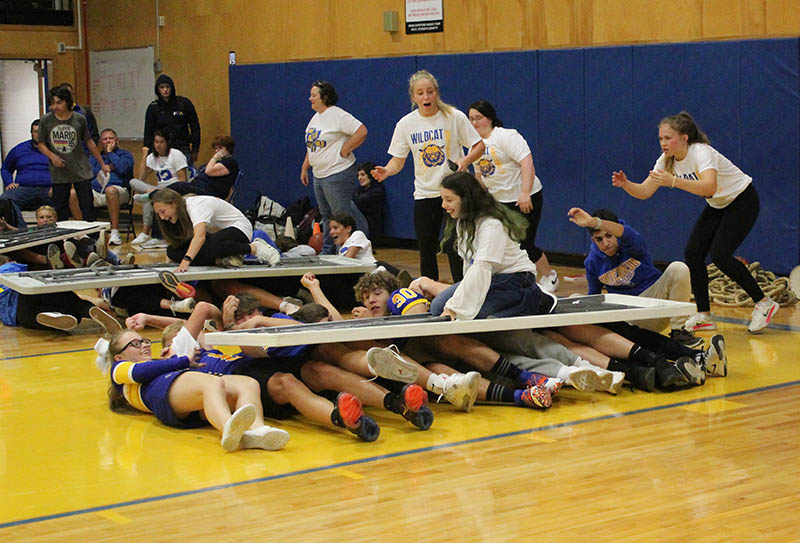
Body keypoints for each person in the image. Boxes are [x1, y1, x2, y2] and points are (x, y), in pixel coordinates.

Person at [611, 111, 778, 334]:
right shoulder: (666, 160)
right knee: (693, 252)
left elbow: (709, 187)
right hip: (718, 204)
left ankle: (764, 303)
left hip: (742, 200)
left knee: (720, 254)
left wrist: (673, 181)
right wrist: (626, 184)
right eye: (661, 139)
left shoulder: (701, 153)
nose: (663, 143)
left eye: (668, 138)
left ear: (684, 137)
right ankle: (704, 315)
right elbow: (644, 191)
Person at [372, 70, 484, 282]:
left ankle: (462, 288)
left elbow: (478, 145)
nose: (426, 97)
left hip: (454, 192)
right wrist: (387, 170)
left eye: (430, 92)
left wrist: (465, 161)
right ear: (413, 97)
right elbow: (398, 160)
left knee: (454, 246)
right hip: (425, 193)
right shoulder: (406, 124)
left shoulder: (454, 116)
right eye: (420, 93)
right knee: (426, 246)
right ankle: (429, 291)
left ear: (437, 93)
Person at [99, 328, 289, 452]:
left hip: (175, 388)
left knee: (247, 383)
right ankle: (229, 429)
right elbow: (142, 372)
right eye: (135, 344)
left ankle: (257, 431)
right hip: (161, 393)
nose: (145, 345)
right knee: (212, 383)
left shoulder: (158, 364)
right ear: (119, 356)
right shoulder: (119, 370)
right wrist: (180, 361)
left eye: (145, 340)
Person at [415, 172, 557, 321]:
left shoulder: (492, 224)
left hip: (514, 280)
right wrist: (458, 300)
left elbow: (481, 268)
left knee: (472, 314)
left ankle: (537, 300)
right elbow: (470, 266)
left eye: (449, 200)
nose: (444, 205)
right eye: (442, 199)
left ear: (466, 199)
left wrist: (454, 308)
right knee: (438, 306)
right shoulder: (463, 221)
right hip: (491, 280)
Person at [567, 206, 702, 348]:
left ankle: (679, 331)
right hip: (626, 316)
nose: (605, 244)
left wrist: (594, 222)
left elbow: (624, 233)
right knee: (575, 299)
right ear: (593, 240)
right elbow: (593, 297)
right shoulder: (592, 262)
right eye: (599, 239)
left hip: (654, 303)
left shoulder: (631, 242)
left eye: (609, 236)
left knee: (678, 268)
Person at [467, 100, 558, 293]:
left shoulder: (505, 136)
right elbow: (480, 177)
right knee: (505, 245)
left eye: (479, 118)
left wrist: (524, 193)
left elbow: (527, 162)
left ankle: (549, 275)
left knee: (525, 243)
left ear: (489, 118)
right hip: (500, 202)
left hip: (525, 196)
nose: (474, 123)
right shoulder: (474, 147)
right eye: (471, 119)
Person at [299, 80, 369, 254]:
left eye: (314, 95)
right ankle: (328, 251)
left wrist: (346, 148)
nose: (310, 98)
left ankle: (350, 249)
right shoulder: (316, 118)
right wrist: (305, 166)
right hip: (319, 174)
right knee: (326, 215)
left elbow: (361, 131)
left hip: (337, 172)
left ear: (325, 97)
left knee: (340, 216)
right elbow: (313, 146)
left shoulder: (337, 115)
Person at [151, 188, 279, 272]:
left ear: (174, 203)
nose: (162, 217)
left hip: (240, 229)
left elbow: (200, 237)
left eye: (163, 211)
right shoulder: (181, 212)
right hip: (217, 236)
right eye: (159, 214)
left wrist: (186, 261)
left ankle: (254, 248)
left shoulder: (195, 206)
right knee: (172, 251)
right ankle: (222, 258)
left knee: (208, 246)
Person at [37, 84, 110, 221]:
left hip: (79, 167)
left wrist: (102, 163)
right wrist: (52, 156)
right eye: (52, 104)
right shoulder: (46, 120)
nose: (55, 107)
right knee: (60, 208)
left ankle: (91, 237)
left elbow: (89, 141)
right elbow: (40, 143)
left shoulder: (79, 118)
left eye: (59, 103)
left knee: (87, 205)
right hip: (59, 169)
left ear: (67, 101)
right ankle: (63, 239)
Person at [0, 255, 121, 334]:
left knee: (33, 317)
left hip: (17, 313)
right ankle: (88, 309)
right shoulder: (10, 267)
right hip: (33, 289)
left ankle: (54, 315)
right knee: (74, 302)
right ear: (10, 261)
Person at [129, 129, 188, 248]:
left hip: (174, 190)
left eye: (161, 142)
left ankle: (146, 232)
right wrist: (144, 156)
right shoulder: (152, 157)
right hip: (158, 189)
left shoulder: (176, 154)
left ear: (167, 143)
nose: (158, 145)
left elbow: (183, 180)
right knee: (133, 182)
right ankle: (153, 194)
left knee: (151, 199)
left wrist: (166, 192)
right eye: (156, 142)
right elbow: (141, 178)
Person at [85, 129, 134, 245]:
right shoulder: (94, 157)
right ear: (100, 143)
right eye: (105, 139)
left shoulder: (125, 155)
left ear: (116, 141)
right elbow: (89, 173)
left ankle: (115, 232)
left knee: (110, 190)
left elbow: (122, 169)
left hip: (119, 191)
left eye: (111, 138)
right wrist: (105, 167)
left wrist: (110, 154)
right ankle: (85, 233)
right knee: (74, 194)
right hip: (97, 191)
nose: (108, 141)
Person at [143, 74, 201, 166]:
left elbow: (195, 127)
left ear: (172, 88)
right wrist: (149, 151)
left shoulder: (183, 104)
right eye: (162, 87)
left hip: (182, 147)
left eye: (167, 87)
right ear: (157, 90)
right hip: (162, 150)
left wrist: (195, 149)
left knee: (186, 177)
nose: (165, 90)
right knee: (166, 177)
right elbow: (148, 131)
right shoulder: (153, 108)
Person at [1, 119, 52, 219]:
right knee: (5, 199)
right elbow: (5, 168)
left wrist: (57, 186)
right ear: (31, 133)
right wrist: (9, 182)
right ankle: (20, 230)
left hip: (48, 189)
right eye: (36, 132)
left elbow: (66, 170)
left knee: (64, 197)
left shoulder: (56, 149)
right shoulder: (19, 149)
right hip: (24, 188)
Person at [168, 135, 238, 200]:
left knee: (179, 186)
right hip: (198, 186)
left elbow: (209, 171)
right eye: (216, 148)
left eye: (220, 148)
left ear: (228, 148)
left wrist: (215, 158)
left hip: (210, 191)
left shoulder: (230, 162)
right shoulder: (219, 161)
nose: (217, 151)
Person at [353, 162, 386, 244]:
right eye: (358, 175)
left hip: (370, 231)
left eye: (363, 175)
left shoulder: (377, 192)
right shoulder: (359, 191)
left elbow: (357, 202)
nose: (359, 178)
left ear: (370, 175)